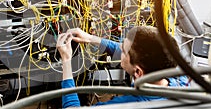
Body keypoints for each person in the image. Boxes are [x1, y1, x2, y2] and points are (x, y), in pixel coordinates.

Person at [56, 26, 189, 108]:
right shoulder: (178, 77)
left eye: (123, 50)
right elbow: (129, 52)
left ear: (138, 72)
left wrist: (67, 60)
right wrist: (90, 38)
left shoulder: (128, 104)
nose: (119, 48)